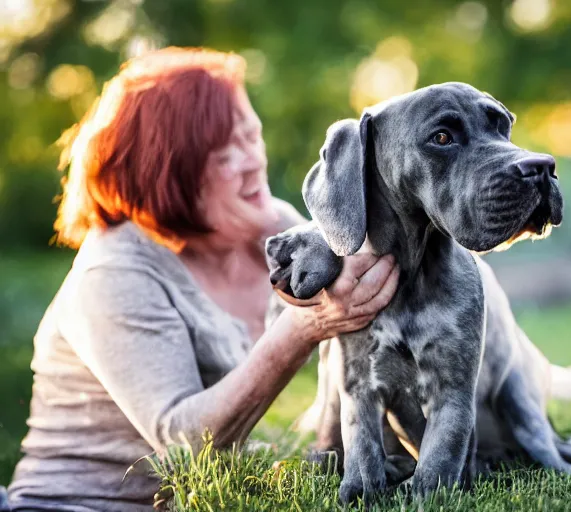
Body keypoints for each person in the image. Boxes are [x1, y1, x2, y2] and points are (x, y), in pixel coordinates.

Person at [1, 47, 398, 511]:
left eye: (252, 136)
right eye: (226, 153)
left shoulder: (268, 231)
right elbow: (186, 449)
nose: (254, 160)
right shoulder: (114, 273)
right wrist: (306, 326)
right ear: (166, 171)